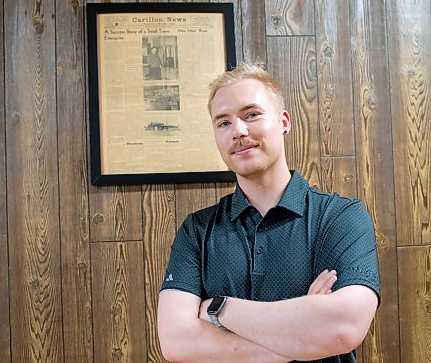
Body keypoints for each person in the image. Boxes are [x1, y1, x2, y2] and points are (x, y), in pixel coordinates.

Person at [157, 64, 380, 362]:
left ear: (284, 122)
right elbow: (177, 342)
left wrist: (219, 310)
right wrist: (303, 336)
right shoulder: (197, 230)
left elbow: (343, 328)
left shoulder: (340, 217)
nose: (238, 131)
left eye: (251, 115)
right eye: (223, 123)